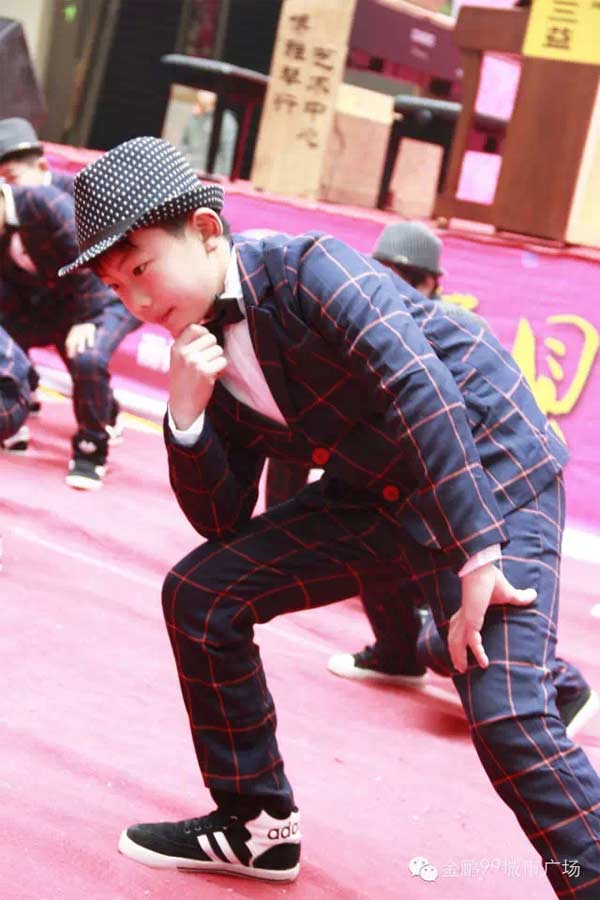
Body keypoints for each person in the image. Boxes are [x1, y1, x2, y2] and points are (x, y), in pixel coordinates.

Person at [59, 137, 600, 895]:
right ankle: (256, 825)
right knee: (202, 594)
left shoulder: (309, 268)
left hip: (485, 458)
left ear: (207, 231)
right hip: (375, 486)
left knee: (506, 714)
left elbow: (421, 387)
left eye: (142, 269)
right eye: (118, 289)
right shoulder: (200, 352)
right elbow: (221, 519)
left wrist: (478, 551)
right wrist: (186, 418)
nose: (138, 305)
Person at [267, 221, 598, 738]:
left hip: (476, 511)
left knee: (447, 642)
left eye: (407, 276)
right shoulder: (345, 325)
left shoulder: (450, 332)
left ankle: (560, 685)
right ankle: (396, 653)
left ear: (431, 284)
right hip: (405, 500)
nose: (389, 282)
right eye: (381, 270)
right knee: (367, 529)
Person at [0, 117, 140, 441]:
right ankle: (20, 393)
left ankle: (98, 430)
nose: (7, 189)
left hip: (107, 295)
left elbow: (97, 264)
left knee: (85, 354)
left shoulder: (77, 198)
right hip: (52, 299)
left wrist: (87, 317)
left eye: (12, 178)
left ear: (41, 166)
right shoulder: (7, 209)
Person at [180, 90, 238, 177]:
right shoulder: (194, 117)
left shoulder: (226, 121)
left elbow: (228, 154)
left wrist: (224, 178)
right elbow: (184, 145)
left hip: (212, 175)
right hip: (189, 172)